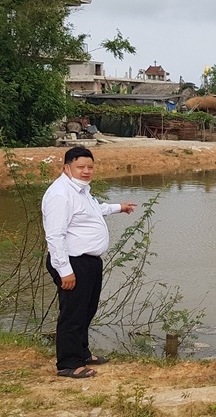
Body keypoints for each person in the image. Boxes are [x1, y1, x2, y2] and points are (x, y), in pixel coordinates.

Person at [42, 146, 138, 378]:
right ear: (67, 168)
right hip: (72, 262)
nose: (86, 171)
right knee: (73, 314)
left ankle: (82, 353)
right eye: (80, 167)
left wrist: (119, 208)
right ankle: (68, 363)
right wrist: (64, 270)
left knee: (87, 310)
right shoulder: (60, 194)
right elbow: (55, 236)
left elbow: (95, 210)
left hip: (89, 262)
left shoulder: (81, 190)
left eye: (90, 167)